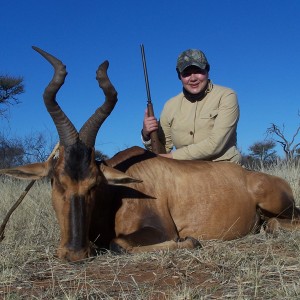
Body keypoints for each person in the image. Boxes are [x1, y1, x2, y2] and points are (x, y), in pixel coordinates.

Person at [141, 48, 242, 164]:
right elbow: (162, 151)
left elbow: (215, 144)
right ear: (179, 76)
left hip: (224, 167)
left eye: (198, 71)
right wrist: (147, 135)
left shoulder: (226, 96)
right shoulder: (170, 105)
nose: (193, 78)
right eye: (186, 74)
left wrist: (171, 157)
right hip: (185, 171)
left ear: (207, 70)